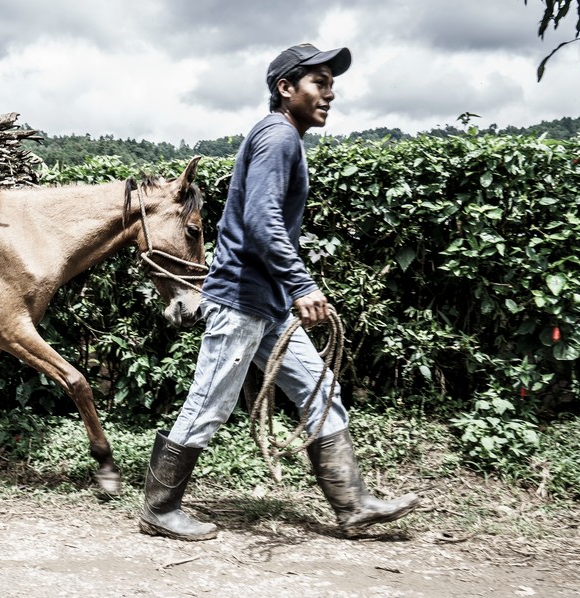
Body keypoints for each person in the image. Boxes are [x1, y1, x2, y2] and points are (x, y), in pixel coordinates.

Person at [139, 43, 419, 541]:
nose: (329, 94)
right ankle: (159, 508)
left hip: (266, 305)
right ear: (284, 88)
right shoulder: (278, 136)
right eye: (319, 82)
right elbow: (262, 218)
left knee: (319, 391)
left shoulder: (283, 137)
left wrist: (286, 291)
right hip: (242, 300)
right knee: (208, 405)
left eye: (332, 84)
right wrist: (302, 283)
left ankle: (351, 506)